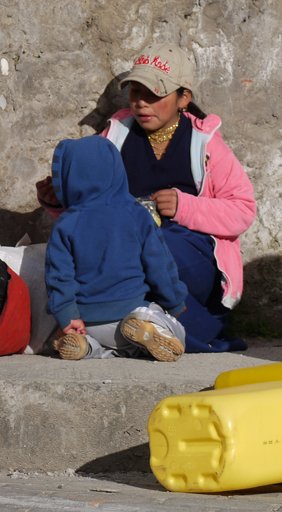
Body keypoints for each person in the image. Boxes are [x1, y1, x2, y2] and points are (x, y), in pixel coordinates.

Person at [37, 43, 256, 353]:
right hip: (126, 253)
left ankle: (168, 326)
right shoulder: (115, 137)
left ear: (183, 98)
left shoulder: (205, 143)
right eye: (135, 92)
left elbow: (243, 209)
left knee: (157, 249)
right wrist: (59, 200)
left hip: (187, 256)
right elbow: (90, 212)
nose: (141, 103)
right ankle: (127, 333)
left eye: (154, 94)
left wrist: (184, 206)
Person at [45, 136, 187, 361]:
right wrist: (174, 301)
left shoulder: (65, 224)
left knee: (113, 351)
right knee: (177, 333)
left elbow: (58, 277)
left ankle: (86, 346)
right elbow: (159, 265)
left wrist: (68, 316)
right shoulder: (137, 214)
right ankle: (149, 323)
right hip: (130, 311)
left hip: (87, 322)